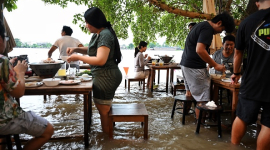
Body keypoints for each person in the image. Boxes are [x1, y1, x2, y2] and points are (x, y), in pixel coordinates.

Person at [66, 7, 122, 134]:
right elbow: (92, 50)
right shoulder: (100, 33)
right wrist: (75, 49)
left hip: (106, 77)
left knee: (104, 112)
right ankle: (108, 141)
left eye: (87, 22)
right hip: (104, 76)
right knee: (105, 111)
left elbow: (100, 60)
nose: (86, 26)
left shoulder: (105, 35)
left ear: (95, 22)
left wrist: (78, 57)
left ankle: (107, 141)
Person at [0, 20, 54, 150]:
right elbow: (18, 93)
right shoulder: (2, 61)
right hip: (4, 120)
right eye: (6, 38)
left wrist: (10, 67)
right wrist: (19, 73)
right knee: (48, 130)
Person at [180, 11, 235, 119]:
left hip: (185, 64)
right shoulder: (207, 29)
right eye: (222, 30)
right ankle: (201, 128)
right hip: (195, 67)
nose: (220, 32)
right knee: (203, 100)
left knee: (189, 94)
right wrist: (215, 65)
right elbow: (200, 50)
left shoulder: (201, 25)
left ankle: (185, 122)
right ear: (219, 23)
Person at [231, 0, 270, 149]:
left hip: (252, 80)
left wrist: (236, 73)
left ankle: (233, 147)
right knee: (268, 124)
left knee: (242, 117)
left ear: (257, 2)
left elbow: (238, 53)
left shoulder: (247, 22)